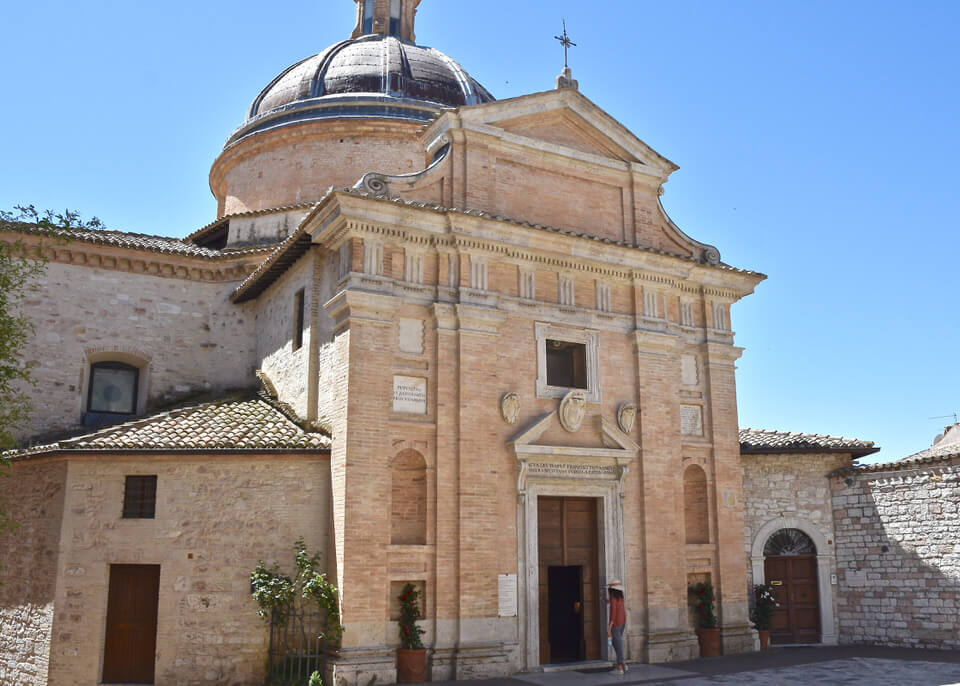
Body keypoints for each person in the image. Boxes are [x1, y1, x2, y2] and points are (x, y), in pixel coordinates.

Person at [607, 580, 627, 674]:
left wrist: (609, 628)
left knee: (617, 645)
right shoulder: (621, 598)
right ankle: (623, 663)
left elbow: (613, 614)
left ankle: (619, 668)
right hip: (622, 623)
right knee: (617, 644)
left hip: (615, 624)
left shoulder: (613, 600)